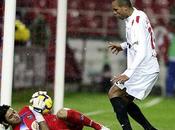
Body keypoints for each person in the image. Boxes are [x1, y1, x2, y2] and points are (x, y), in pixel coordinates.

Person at [107, 0, 159, 130]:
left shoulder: (136, 22)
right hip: (143, 67)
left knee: (114, 94)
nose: (114, 13)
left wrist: (128, 73)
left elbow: (141, 50)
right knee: (122, 99)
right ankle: (149, 129)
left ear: (125, 8)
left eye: (116, 9)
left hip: (144, 69)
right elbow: (141, 41)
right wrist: (123, 46)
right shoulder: (137, 15)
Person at [0, 91, 109, 130]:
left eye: (13, 111)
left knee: (61, 112)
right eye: (10, 117)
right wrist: (38, 114)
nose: (15, 115)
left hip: (65, 122)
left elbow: (45, 111)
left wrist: (42, 99)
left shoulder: (25, 110)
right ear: (6, 122)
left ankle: (97, 126)